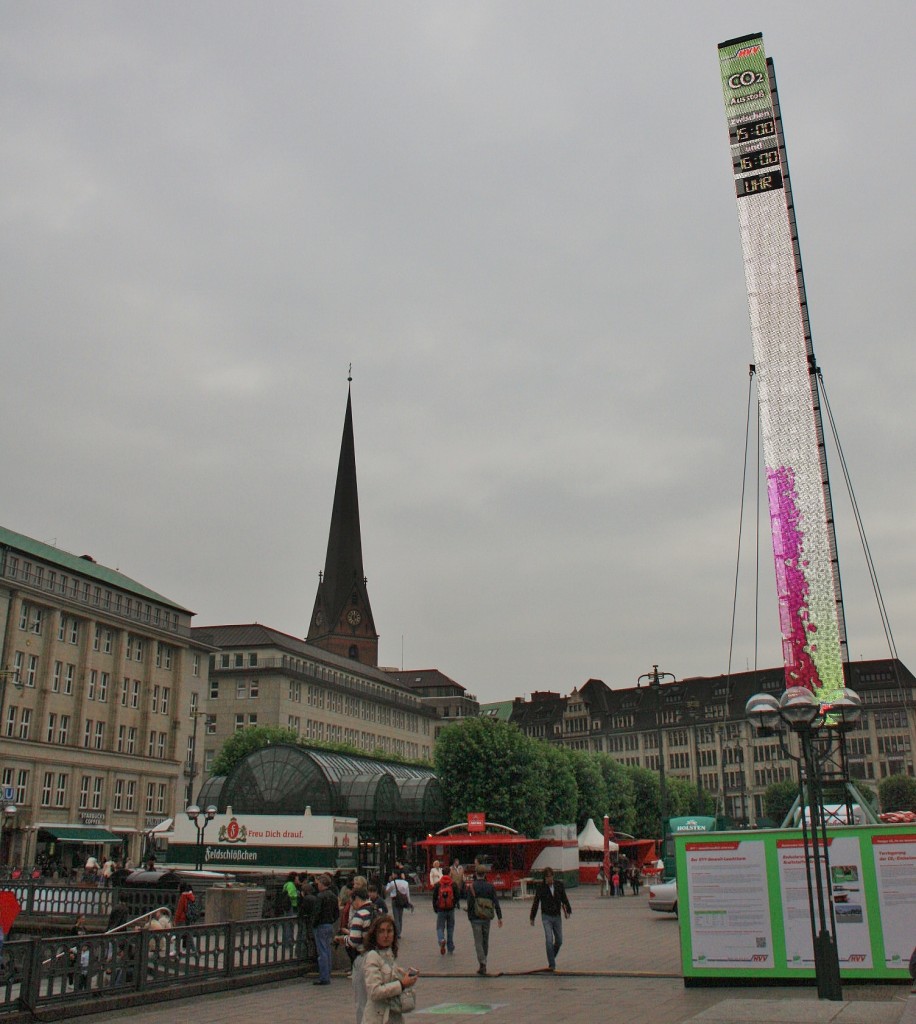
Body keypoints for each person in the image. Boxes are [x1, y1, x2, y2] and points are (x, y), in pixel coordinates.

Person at [361, 914, 419, 1024]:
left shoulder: (390, 955)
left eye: (389, 931)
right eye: (381, 931)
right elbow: (374, 991)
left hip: (394, 1017)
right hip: (378, 1018)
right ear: (375, 934)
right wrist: (401, 984)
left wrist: (406, 977)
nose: (386, 935)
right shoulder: (372, 956)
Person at [337, 886, 373, 1024]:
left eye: (353, 902)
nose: (353, 905)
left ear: (357, 899)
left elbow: (354, 941)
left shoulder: (360, 915)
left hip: (363, 956)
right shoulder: (377, 911)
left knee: (361, 999)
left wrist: (342, 939)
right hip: (380, 956)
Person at [529, 867, 571, 972]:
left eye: (550, 877)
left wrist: (569, 910)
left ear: (553, 876)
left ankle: (551, 956)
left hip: (557, 916)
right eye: (547, 877)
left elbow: (564, 898)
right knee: (548, 940)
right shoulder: (541, 888)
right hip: (546, 917)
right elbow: (536, 902)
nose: (549, 879)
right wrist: (532, 917)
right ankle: (552, 964)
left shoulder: (559, 885)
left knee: (559, 940)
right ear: (544, 878)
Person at [465, 864, 503, 976]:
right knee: (485, 940)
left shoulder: (472, 886)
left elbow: (470, 903)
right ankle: (484, 961)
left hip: (475, 918)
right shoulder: (490, 887)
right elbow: (496, 901)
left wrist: (469, 916)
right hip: (487, 917)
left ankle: (482, 963)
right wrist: (499, 917)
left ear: (476, 874)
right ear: (485, 874)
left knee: (478, 942)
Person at [311, 873, 339, 985]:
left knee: (321, 952)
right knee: (327, 950)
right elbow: (337, 913)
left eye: (318, 883)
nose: (317, 886)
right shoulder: (333, 896)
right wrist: (332, 920)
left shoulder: (320, 896)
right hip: (329, 925)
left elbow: (317, 912)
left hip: (321, 925)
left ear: (322, 884)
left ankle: (324, 977)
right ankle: (328, 973)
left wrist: (314, 923)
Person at [431, 869, 458, 955]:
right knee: (450, 928)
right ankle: (450, 947)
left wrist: (436, 908)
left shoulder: (438, 884)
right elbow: (457, 896)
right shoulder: (453, 884)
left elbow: (434, 897)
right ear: (449, 873)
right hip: (450, 909)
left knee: (440, 927)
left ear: (442, 873)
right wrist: (454, 904)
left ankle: (441, 940)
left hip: (441, 909)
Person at [385, 872, 411, 938]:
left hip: (395, 899)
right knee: (400, 916)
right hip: (402, 900)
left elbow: (387, 890)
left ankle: (397, 932)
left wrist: (389, 882)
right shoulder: (405, 883)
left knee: (396, 917)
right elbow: (407, 893)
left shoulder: (393, 883)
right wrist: (408, 902)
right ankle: (399, 931)